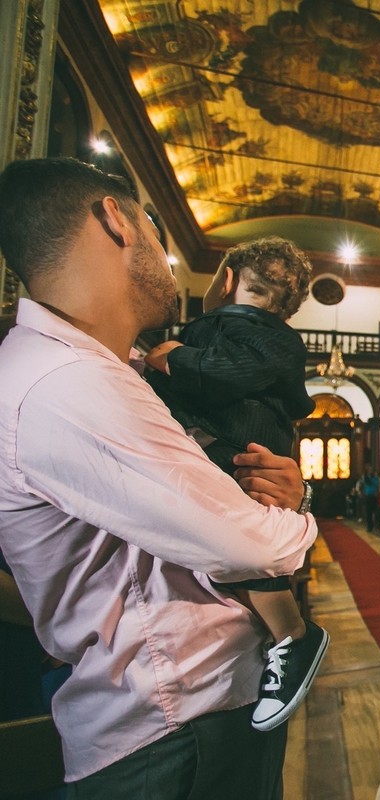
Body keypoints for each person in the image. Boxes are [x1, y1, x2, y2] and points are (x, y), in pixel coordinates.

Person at [0, 157, 315, 796]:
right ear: (116, 221)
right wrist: (293, 515)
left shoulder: (100, 371)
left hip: (204, 700)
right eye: (153, 226)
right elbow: (250, 543)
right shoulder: (68, 382)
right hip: (169, 724)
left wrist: (278, 499)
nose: (168, 259)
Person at [143, 235, 329, 732]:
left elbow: (226, 374)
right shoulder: (270, 335)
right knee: (235, 530)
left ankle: (291, 632)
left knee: (238, 529)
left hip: (237, 444)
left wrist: (172, 359)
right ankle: (285, 634)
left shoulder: (223, 329)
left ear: (225, 280)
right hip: (227, 444)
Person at [359, 464, 380, 531]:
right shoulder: (366, 477)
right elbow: (362, 484)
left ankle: (376, 524)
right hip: (368, 496)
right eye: (369, 470)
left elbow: (377, 486)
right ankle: (369, 526)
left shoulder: (376, 478)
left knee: (375, 511)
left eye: (371, 470)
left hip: (374, 496)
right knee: (368, 512)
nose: (371, 471)